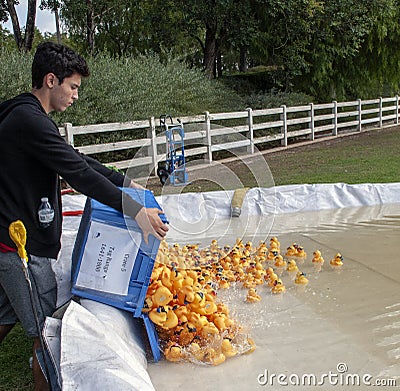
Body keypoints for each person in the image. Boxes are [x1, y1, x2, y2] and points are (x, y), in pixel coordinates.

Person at [0, 41, 168, 390]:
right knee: (46, 333)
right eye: (73, 87)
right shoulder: (29, 121)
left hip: (7, 240)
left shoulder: (24, 114)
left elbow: (76, 160)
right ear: (51, 80)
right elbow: (78, 173)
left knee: (4, 315)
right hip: (20, 249)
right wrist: (134, 210)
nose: (76, 95)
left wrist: (124, 182)